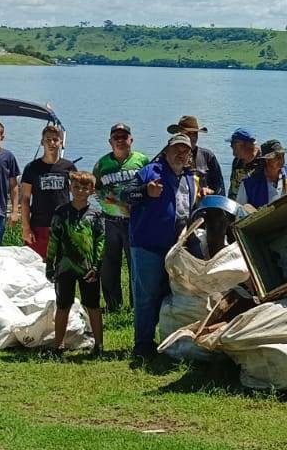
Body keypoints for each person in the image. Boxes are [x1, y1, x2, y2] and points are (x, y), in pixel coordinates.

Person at [123, 133, 192, 358]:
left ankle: (167, 341)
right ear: (166, 150)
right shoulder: (150, 171)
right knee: (146, 296)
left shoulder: (190, 177)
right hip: (147, 245)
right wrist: (146, 191)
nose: (181, 154)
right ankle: (142, 344)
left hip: (177, 248)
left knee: (170, 294)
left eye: (185, 151)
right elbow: (125, 195)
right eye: (177, 149)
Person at [91, 123, 149, 313]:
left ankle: (137, 305)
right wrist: (106, 203)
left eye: (124, 137)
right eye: (116, 137)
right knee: (109, 265)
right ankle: (112, 305)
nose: (120, 140)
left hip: (135, 221)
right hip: (109, 221)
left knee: (136, 264)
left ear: (131, 139)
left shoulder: (142, 161)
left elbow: (152, 186)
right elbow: (95, 188)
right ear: (110, 142)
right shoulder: (101, 165)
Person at [46, 171, 105, 353]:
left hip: (88, 269)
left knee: (93, 307)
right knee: (63, 306)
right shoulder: (61, 212)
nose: (80, 191)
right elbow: (53, 239)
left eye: (85, 188)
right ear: (70, 188)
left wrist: (97, 266)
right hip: (64, 267)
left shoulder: (96, 215)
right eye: (76, 187)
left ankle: (99, 345)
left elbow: (101, 241)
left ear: (92, 190)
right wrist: (49, 264)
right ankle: (58, 346)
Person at [20, 124, 75, 259]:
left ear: (61, 143)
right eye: (48, 139)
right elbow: (25, 199)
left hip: (62, 226)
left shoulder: (69, 166)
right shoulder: (31, 168)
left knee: (62, 269)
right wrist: (26, 228)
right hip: (39, 225)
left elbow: (77, 196)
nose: (52, 143)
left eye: (55, 140)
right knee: (35, 268)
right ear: (42, 142)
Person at [236, 139, 287, 212]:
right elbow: (240, 211)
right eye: (278, 157)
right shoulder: (249, 183)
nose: (282, 160)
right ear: (267, 159)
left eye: (283, 156)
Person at [167, 115, 223, 194]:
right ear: (179, 134)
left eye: (195, 133)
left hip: (204, 204)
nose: (193, 137)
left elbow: (219, 188)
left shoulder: (208, 156)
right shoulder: (167, 157)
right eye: (189, 133)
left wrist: (210, 192)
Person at [227, 128, 260, 200]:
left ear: (241, 144)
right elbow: (232, 189)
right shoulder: (237, 161)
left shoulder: (263, 162)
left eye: (234, 147)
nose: (233, 154)